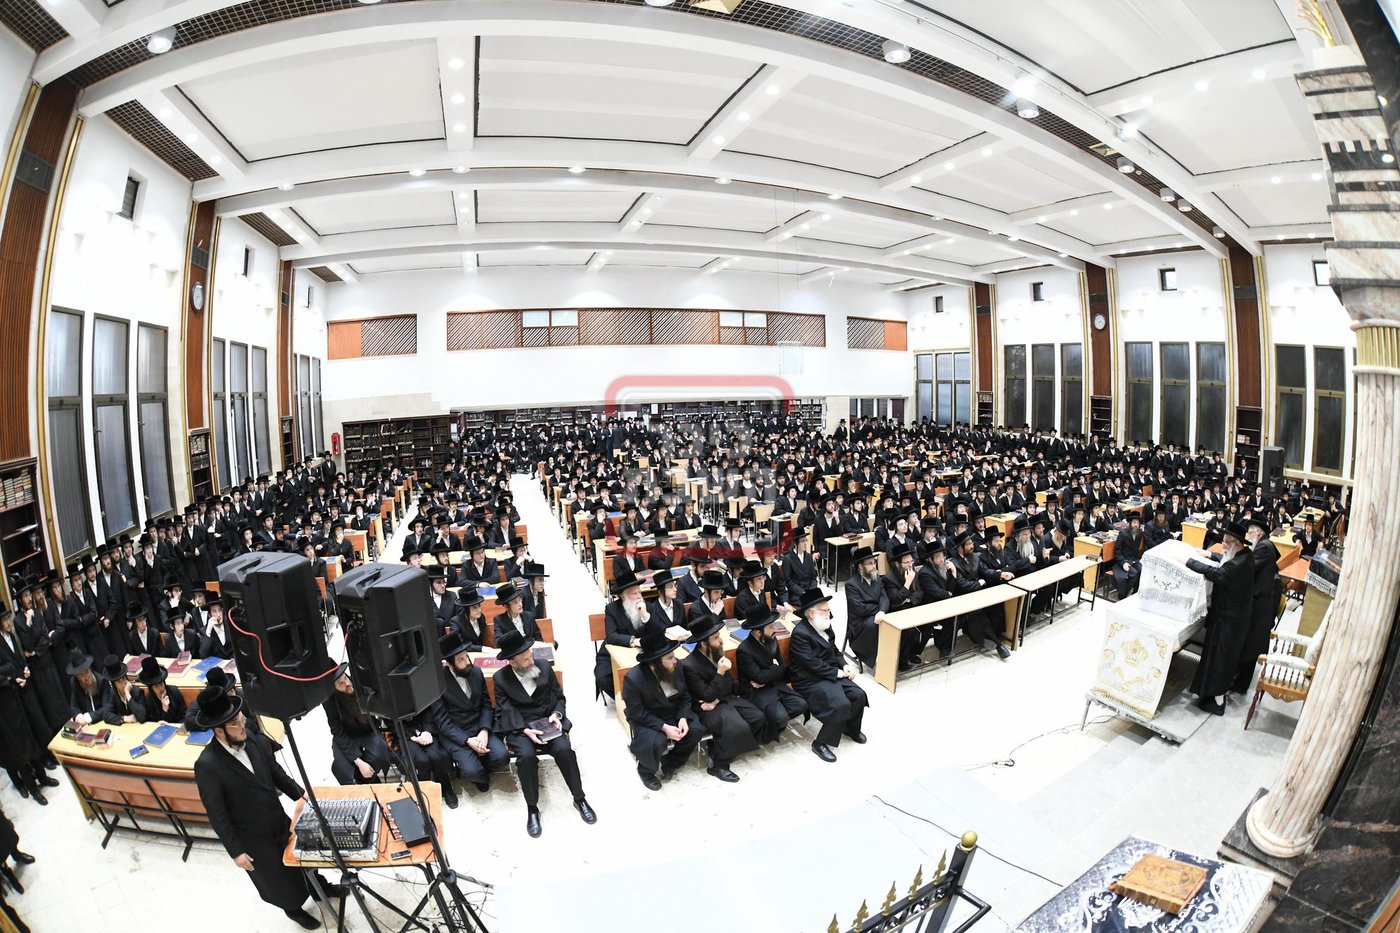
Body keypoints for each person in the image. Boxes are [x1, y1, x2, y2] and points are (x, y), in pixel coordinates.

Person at [192, 684, 345, 930]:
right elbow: (217, 814)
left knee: (304, 859)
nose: (242, 724)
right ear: (219, 730)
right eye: (235, 723)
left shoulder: (250, 738)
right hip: (254, 839)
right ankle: (294, 910)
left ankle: (321, 888)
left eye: (240, 718)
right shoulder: (208, 765)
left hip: (277, 820)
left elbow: (275, 771)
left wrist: (299, 793)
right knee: (280, 880)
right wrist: (236, 852)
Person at [491, 629, 596, 837]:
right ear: (512, 663)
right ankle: (532, 808)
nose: (531, 660)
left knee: (565, 750)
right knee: (526, 757)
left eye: (530, 655)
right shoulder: (500, 678)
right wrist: (524, 729)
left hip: (548, 721)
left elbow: (559, 697)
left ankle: (579, 798)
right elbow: (504, 711)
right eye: (525, 659)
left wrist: (556, 714)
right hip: (521, 727)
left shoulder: (544, 666)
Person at [1177, 521, 1253, 715]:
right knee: (1215, 657)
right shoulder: (1243, 555)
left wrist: (1188, 561)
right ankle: (1209, 694)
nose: (1223, 545)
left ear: (1237, 543)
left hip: (1230, 620)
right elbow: (1225, 559)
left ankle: (1217, 700)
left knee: (1221, 659)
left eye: (1226, 542)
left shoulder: (1240, 563)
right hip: (1228, 616)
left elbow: (1218, 573)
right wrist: (1210, 554)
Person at [681, 616, 764, 783]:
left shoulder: (717, 652)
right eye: (716, 638)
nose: (721, 640)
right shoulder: (689, 665)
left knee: (758, 717)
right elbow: (706, 695)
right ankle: (719, 764)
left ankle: (720, 746)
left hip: (721, 701)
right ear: (704, 643)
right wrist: (719, 672)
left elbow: (729, 684)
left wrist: (717, 699)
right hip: (705, 709)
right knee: (738, 727)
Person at [789, 587, 868, 763]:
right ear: (811, 613)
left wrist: (845, 665)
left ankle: (850, 728)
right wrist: (838, 673)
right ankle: (820, 743)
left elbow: (834, 650)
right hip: (809, 680)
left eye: (828, 609)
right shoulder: (801, 634)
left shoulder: (825, 624)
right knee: (840, 704)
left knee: (858, 695)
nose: (828, 613)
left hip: (829, 673)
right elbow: (812, 664)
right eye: (824, 610)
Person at [429, 630, 509, 803]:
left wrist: (484, 731)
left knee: (502, 757)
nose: (466, 662)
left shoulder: (476, 672)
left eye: (466, 656)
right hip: (457, 733)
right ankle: (480, 774)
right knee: (473, 772)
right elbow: (443, 723)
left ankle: (483, 764)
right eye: (460, 660)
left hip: (480, 725)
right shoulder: (437, 683)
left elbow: (486, 704)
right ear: (449, 664)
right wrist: (468, 741)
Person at [623, 629, 704, 790]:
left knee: (695, 730)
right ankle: (646, 771)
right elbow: (637, 713)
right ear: (655, 663)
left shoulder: (676, 666)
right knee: (657, 741)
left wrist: (683, 717)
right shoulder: (633, 679)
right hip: (647, 718)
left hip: (673, 711)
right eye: (669, 658)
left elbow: (685, 695)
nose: (675, 660)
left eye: (673, 656)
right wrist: (664, 727)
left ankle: (671, 762)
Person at [735, 605, 807, 744]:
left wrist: (770, 673)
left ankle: (775, 718)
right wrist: (773, 668)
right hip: (755, 691)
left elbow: (781, 667)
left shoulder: (772, 639)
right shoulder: (744, 650)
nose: (775, 629)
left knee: (801, 705)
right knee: (781, 718)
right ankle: (772, 723)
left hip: (774, 684)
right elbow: (759, 677)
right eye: (770, 627)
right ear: (758, 632)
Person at [1232, 515, 1283, 696]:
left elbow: (1248, 566)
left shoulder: (1263, 547)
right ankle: (1238, 677)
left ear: (1257, 533)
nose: (1248, 536)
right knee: (1249, 644)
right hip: (1261, 601)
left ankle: (1240, 685)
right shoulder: (1265, 544)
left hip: (1261, 606)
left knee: (1250, 645)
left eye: (1250, 533)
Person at [322, 663, 392, 785]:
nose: (347, 683)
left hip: (368, 731)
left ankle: (373, 783)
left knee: (373, 759)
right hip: (347, 736)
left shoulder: (360, 684)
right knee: (342, 769)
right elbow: (337, 731)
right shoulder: (329, 701)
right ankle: (365, 788)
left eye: (345, 678)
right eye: (341, 684)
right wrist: (357, 760)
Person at [947, 532, 1011, 660]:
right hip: (964, 598)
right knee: (979, 616)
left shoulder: (975, 557)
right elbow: (962, 585)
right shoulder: (954, 563)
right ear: (960, 548)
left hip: (979, 595)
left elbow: (985, 570)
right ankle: (998, 645)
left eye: (972, 543)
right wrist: (978, 583)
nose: (972, 546)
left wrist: (999, 574)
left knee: (997, 607)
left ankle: (987, 637)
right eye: (968, 544)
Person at [593, 570, 649, 699]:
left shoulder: (647, 607)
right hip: (613, 651)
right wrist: (633, 641)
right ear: (623, 596)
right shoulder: (612, 609)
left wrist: (645, 615)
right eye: (634, 593)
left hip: (643, 651)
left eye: (639, 592)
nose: (639, 596)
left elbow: (656, 630)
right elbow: (611, 636)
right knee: (603, 678)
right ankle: (626, 700)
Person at [844, 546, 888, 668]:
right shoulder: (851, 584)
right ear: (860, 566)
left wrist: (882, 611)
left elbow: (884, 597)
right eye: (870, 563)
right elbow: (860, 609)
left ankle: (891, 653)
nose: (874, 566)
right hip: (860, 622)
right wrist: (879, 609)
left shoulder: (876, 578)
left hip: (876, 614)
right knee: (875, 624)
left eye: (874, 562)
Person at [135, 655, 187, 725]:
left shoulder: (174, 692)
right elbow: (151, 721)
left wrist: (167, 712)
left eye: (161, 683)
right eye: (156, 686)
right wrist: (165, 710)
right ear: (151, 688)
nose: (160, 688)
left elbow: (184, 716)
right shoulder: (149, 699)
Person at [66, 650, 110, 726]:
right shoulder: (74, 682)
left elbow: (107, 709)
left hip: (103, 721)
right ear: (77, 677)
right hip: (86, 725)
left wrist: (87, 717)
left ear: (90, 668)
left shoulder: (102, 681)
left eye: (87, 672)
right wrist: (78, 716)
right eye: (81, 675)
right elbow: (74, 706)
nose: (86, 677)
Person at [1111, 513, 1147, 600]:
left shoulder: (1139, 534)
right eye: (1134, 522)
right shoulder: (1123, 533)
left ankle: (1135, 592)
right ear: (1130, 523)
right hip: (1122, 561)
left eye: (1138, 523)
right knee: (1133, 573)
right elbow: (1117, 551)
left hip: (1133, 559)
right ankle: (1122, 595)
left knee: (1142, 569)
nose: (1136, 525)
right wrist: (1123, 563)